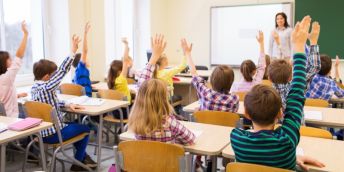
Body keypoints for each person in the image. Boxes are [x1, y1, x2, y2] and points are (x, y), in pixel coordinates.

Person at [31, 35, 97, 171]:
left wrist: (66, 105)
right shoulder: (47, 87)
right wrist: (72, 51)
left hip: (40, 134)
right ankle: (78, 163)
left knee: (75, 126)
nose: (56, 77)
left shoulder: (34, 88)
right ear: (47, 77)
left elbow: (49, 105)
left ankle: (82, 158)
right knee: (85, 128)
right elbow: (62, 71)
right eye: (53, 75)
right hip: (54, 134)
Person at [129, 34, 195, 145]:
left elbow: (142, 86)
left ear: (140, 98)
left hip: (142, 162)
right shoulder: (170, 123)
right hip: (166, 163)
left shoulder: (136, 123)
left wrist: (153, 58)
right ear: (164, 98)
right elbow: (191, 139)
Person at [0, 21, 28, 118]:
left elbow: (3, 98)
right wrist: (25, 34)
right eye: (9, 59)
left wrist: (18, 95)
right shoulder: (6, 77)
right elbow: (19, 56)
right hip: (11, 117)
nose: (11, 60)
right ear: (3, 62)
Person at [72, 22, 92, 97]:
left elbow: (76, 58)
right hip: (86, 100)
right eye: (85, 58)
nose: (87, 58)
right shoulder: (81, 70)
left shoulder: (77, 73)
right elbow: (85, 51)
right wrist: (85, 34)